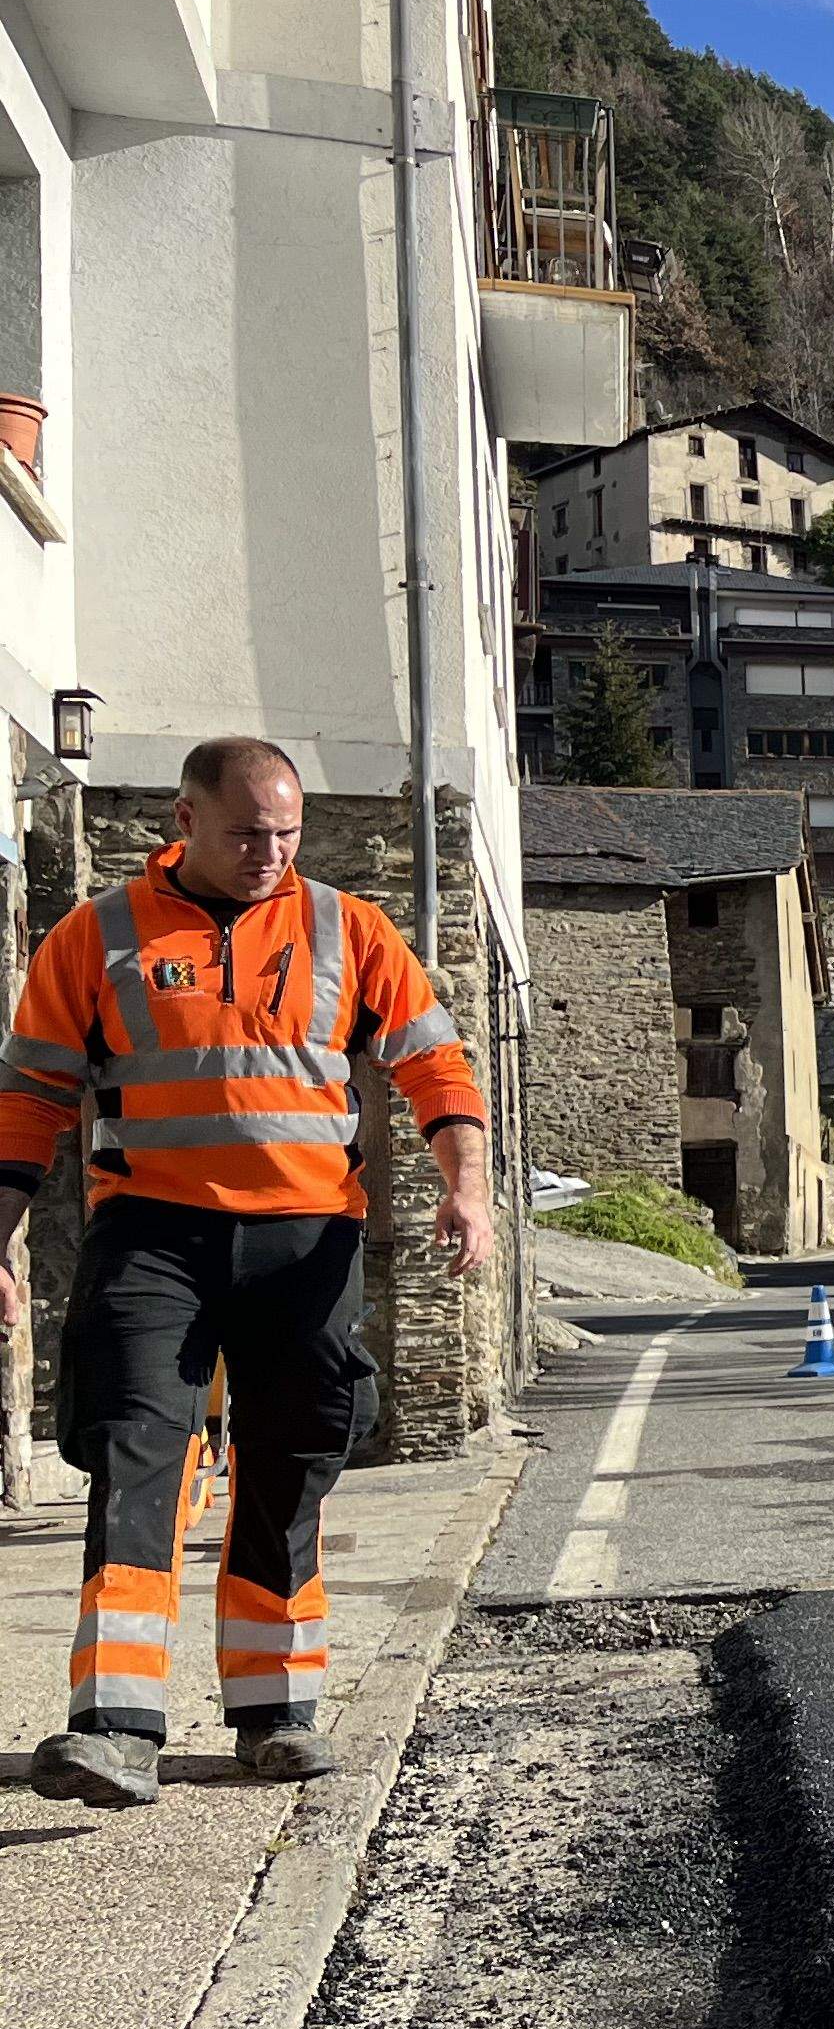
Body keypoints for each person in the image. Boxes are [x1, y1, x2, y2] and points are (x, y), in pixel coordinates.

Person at [4, 739, 496, 1810]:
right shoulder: (97, 938)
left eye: (287, 831)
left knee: (290, 1459)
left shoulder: (348, 929)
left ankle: (276, 1715)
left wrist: (469, 1187)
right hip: (152, 1236)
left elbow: (434, 1064)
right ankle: (115, 1726)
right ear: (183, 818)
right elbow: (30, 1100)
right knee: (140, 1449)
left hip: (306, 1241)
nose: (271, 852)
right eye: (245, 833)